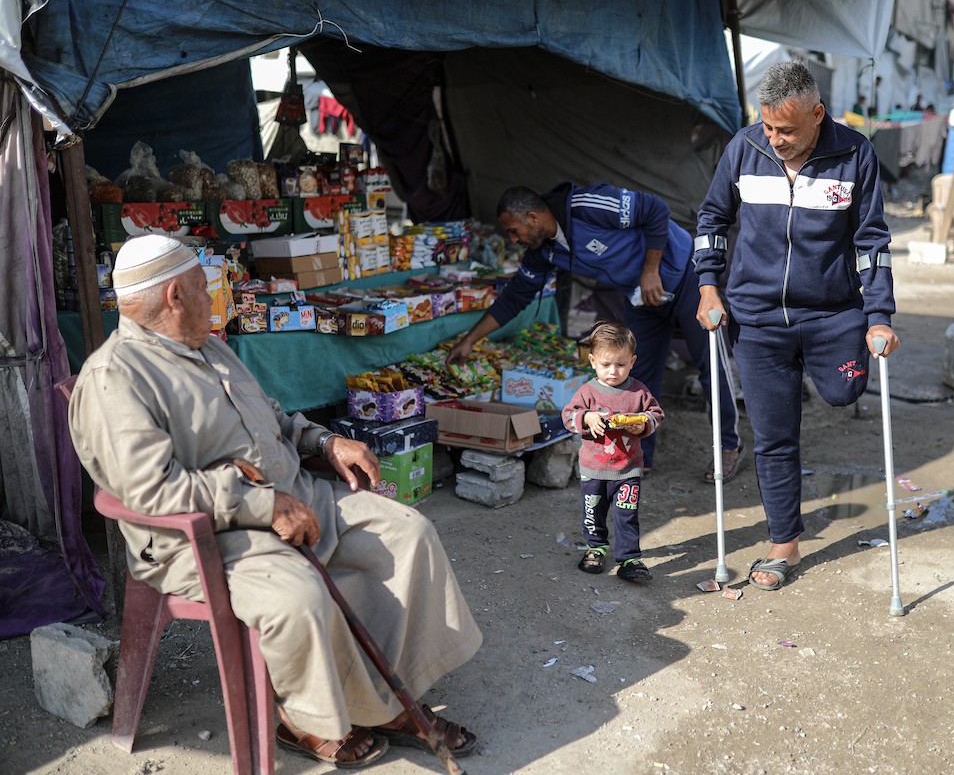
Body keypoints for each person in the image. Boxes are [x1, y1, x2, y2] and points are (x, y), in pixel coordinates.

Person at [67, 235, 482, 768]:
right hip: (212, 539)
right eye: (203, 287)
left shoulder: (206, 344)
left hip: (298, 498)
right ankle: (304, 720)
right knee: (299, 598)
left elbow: (273, 417)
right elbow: (153, 491)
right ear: (174, 295)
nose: (213, 299)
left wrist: (325, 442)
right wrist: (262, 506)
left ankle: (387, 701)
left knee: (408, 534)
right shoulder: (115, 378)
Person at [693, 59, 899, 591]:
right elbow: (712, 219)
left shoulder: (855, 154)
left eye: (786, 129)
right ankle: (784, 542)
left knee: (843, 391)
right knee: (774, 437)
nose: (775, 139)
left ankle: (834, 369)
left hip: (832, 314)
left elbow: (871, 241)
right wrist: (708, 286)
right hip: (757, 318)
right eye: (768, 127)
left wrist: (879, 316)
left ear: (817, 114)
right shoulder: (744, 148)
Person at [447, 183, 742, 482]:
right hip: (640, 298)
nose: (513, 240)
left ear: (532, 218)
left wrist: (650, 270)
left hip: (686, 278)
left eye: (513, 230)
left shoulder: (586, 205)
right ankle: (642, 456)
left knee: (711, 366)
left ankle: (729, 446)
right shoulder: (543, 252)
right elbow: (514, 298)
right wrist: (470, 340)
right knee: (635, 377)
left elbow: (656, 210)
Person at [561, 321, 664, 583]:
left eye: (620, 364)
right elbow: (568, 416)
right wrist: (586, 418)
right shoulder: (587, 392)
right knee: (593, 511)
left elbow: (656, 414)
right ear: (593, 361)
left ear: (632, 361)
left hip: (628, 469)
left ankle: (629, 558)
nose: (613, 371)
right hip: (593, 469)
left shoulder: (638, 391)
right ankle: (595, 548)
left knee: (626, 515)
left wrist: (643, 423)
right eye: (606, 365)